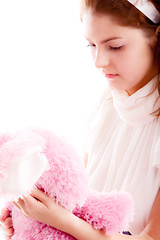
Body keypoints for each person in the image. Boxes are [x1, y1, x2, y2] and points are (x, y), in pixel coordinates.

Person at [0, 0, 160, 239]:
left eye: (114, 46)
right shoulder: (106, 107)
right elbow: (81, 204)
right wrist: (28, 215)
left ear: (156, 39)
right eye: (91, 45)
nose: (99, 62)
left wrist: (58, 219)